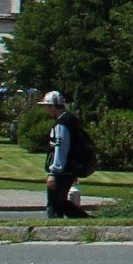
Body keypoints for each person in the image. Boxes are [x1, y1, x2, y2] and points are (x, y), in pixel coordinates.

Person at [38, 90, 92, 218]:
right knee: (61, 203)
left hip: (62, 171)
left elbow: (61, 148)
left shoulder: (62, 124)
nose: (45, 110)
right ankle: (87, 221)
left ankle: (57, 226)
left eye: (46, 106)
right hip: (69, 169)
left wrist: (54, 173)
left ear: (53, 106)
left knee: (54, 205)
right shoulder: (71, 120)